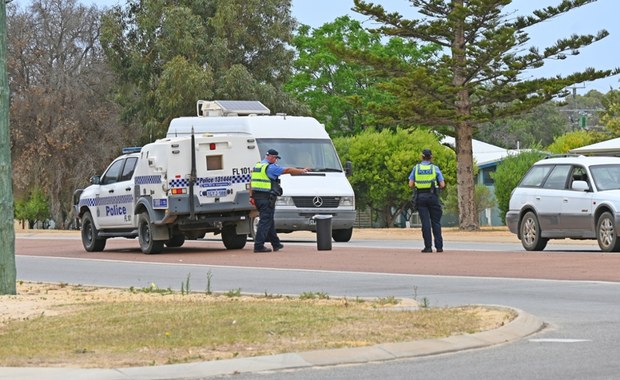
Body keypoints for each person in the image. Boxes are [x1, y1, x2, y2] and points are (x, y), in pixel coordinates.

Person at [250, 149, 309, 253]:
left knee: (269, 221)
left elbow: (251, 182)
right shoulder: (271, 167)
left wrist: (251, 197)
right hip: (266, 198)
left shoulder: (258, 166)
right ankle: (258, 246)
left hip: (257, 198)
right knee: (265, 222)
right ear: (272, 157)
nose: (276, 160)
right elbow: (288, 170)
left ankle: (276, 244)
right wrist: (301, 171)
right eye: (276, 158)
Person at [408, 148, 446, 253]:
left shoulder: (416, 168)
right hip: (432, 196)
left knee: (425, 223)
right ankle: (439, 247)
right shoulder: (435, 168)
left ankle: (428, 247)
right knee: (436, 222)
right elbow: (442, 184)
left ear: (422, 157)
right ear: (431, 157)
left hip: (420, 197)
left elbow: (410, 184)